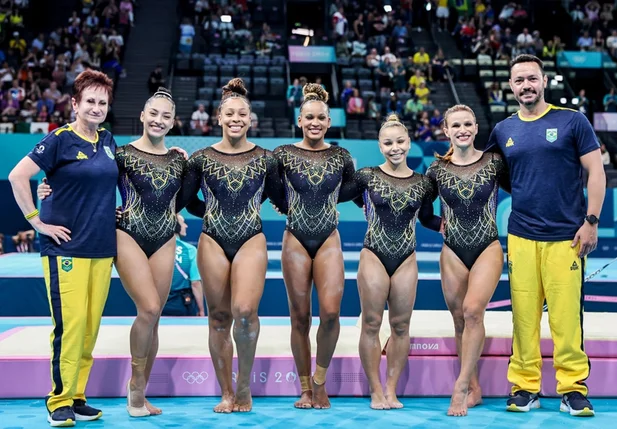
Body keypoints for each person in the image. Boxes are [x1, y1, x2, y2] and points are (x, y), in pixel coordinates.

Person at [37, 87, 194, 418]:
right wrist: (47, 190)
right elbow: (86, 181)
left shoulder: (179, 159)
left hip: (165, 237)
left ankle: (140, 392)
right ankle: (132, 394)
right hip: (128, 235)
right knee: (149, 308)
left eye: (166, 116)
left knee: (154, 319)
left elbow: (182, 200)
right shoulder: (117, 153)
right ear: (142, 116)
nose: (159, 120)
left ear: (173, 122)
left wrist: (177, 213)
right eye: (153, 113)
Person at [486, 54, 606, 417]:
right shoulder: (503, 131)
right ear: (511, 86)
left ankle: (572, 388)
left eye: (532, 79)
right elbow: (492, 174)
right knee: (523, 316)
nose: (526, 85)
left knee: (567, 318)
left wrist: (592, 220)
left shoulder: (572, 121)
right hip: (522, 237)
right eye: (519, 80)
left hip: (566, 238)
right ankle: (525, 386)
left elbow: (596, 172)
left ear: (544, 81)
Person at [9, 70, 117, 427]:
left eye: (102, 102)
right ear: (75, 103)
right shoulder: (59, 140)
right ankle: (59, 399)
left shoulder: (108, 141)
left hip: (102, 248)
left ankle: (78, 394)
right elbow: (17, 176)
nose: (96, 108)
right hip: (66, 249)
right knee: (68, 326)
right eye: (90, 101)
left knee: (89, 327)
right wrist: (36, 220)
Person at [178, 78, 285, 413]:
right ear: (219, 118)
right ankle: (226, 391)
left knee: (244, 311)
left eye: (242, 113)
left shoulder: (267, 159)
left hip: (250, 237)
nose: (236, 118)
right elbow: (185, 200)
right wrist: (210, 211)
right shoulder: (201, 158)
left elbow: (280, 197)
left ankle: (244, 385)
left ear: (250, 119)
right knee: (219, 317)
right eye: (230, 113)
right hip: (212, 239)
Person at [339, 114, 440, 410]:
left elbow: (427, 218)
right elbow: (334, 193)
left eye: (399, 141)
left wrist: (449, 225)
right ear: (380, 147)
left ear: (408, 143)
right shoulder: (366, 176)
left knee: (400, 326)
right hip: (374, 254)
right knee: (371, 323)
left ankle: (392, 390)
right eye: (388, 143)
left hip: (407, 257)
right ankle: (375, 391)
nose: (394, 147)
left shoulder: (423, 183)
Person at [273, 83, 355, 409]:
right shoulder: (282, 155)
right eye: (309, 117)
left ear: (329, 121)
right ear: (299, 119)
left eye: (321, 117)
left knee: (332, 313)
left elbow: (351, 190)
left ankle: (320, 381)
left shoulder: (341, 156)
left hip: (328, 238)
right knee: (300, 318)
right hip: (295, 237)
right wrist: (284, 206)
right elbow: (267, 188)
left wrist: (330, 201)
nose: (315, 122)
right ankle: (305, 388)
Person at [425, 105, 509, 417]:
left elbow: (523, 190)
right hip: (452, 250)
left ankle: (459, 386)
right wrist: (437, 225)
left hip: (487, 245)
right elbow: (422, 210)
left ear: (476, 128)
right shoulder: (436, 170)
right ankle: (474, 386)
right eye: (455, 125)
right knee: (460, 320)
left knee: (474, 311)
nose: (462, 129)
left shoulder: (494, 163)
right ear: (445, 130)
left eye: (468, 124)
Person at [162, 214, 205, 317]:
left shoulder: (158, 249)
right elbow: (195, 283)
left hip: (159, 303)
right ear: (175, 225)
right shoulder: (189, 250)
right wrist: (201, 309)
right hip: (182, 303)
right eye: (183, 223)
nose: (186, 226)